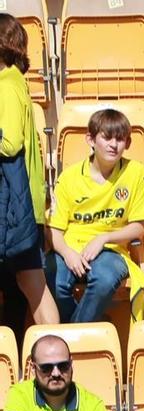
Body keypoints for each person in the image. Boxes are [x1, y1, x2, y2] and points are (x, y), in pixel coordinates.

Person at [45, 107, 144, 323]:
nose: (114, 145)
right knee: (52, 278)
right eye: (107, 137)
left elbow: (140, 226)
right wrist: (67, 253)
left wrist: (103, 238)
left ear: (128, 144)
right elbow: (53, 229)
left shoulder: (136, 172)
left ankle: (74, 339)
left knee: (105, 278)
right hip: (70, 246)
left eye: (120, 139)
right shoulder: (69, 177)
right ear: (90, 139)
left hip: (112, 250)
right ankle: (88, 328)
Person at [0, 17, 58, 327]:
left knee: (33, 287)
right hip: (22, 206)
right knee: (22, 289)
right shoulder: (15, 83)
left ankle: (58, 353)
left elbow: (9, 144)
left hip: (17, 210)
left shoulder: (6, 85)